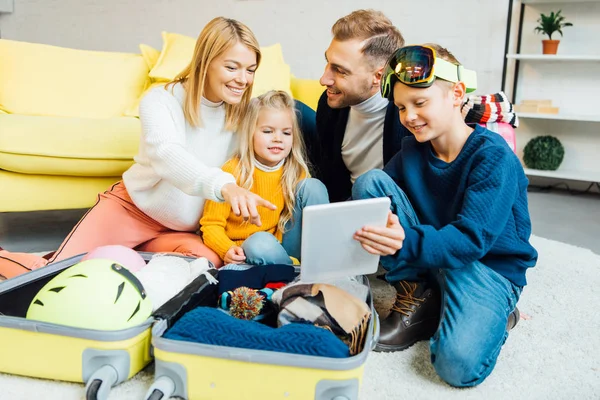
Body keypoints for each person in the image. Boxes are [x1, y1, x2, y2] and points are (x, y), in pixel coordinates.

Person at [0, 17, 276, 277]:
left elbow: (283, 123)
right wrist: (225, 186)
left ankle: (125, 256)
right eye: (232, 67)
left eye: (250, 70)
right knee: (56, 276)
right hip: (131, 211)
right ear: (205, 62)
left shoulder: (245, 113)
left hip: (179, 232)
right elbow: (166, 154)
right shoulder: (161, 100)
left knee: (206, 267)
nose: (243, 80)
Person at [351, 44, 538, 387]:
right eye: (401, 107)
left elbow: (471, 240)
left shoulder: (493, 158)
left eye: (420, 103)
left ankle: (501, 316)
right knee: (370, 184)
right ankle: (420, 294)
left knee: (457, 366)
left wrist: (406, 241)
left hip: (484, 265)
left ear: (455, 94)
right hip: (436, 251)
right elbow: (381, 206)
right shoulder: (411, 151)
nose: (408, 116)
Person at [303, 9, 514, 203]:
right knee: (291, 110)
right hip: (349, 198)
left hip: (389, 202)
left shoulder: (414, 118)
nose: (324, 79)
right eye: (328, 63)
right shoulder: (330, 103)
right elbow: (329, 174)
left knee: (370, 183)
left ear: (379, 76)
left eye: (340, 70)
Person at [200, 90, 329, 266]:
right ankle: (292, 273)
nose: (278, 139)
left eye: (286, 133)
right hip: (253, 250)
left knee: (314, 187)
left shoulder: (294, 169)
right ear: (250, 133)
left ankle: (323, 264)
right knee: (259, 241)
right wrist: (227, 249)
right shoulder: (232, 172)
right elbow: (210, 225)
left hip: (286, 246)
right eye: (268, 131)